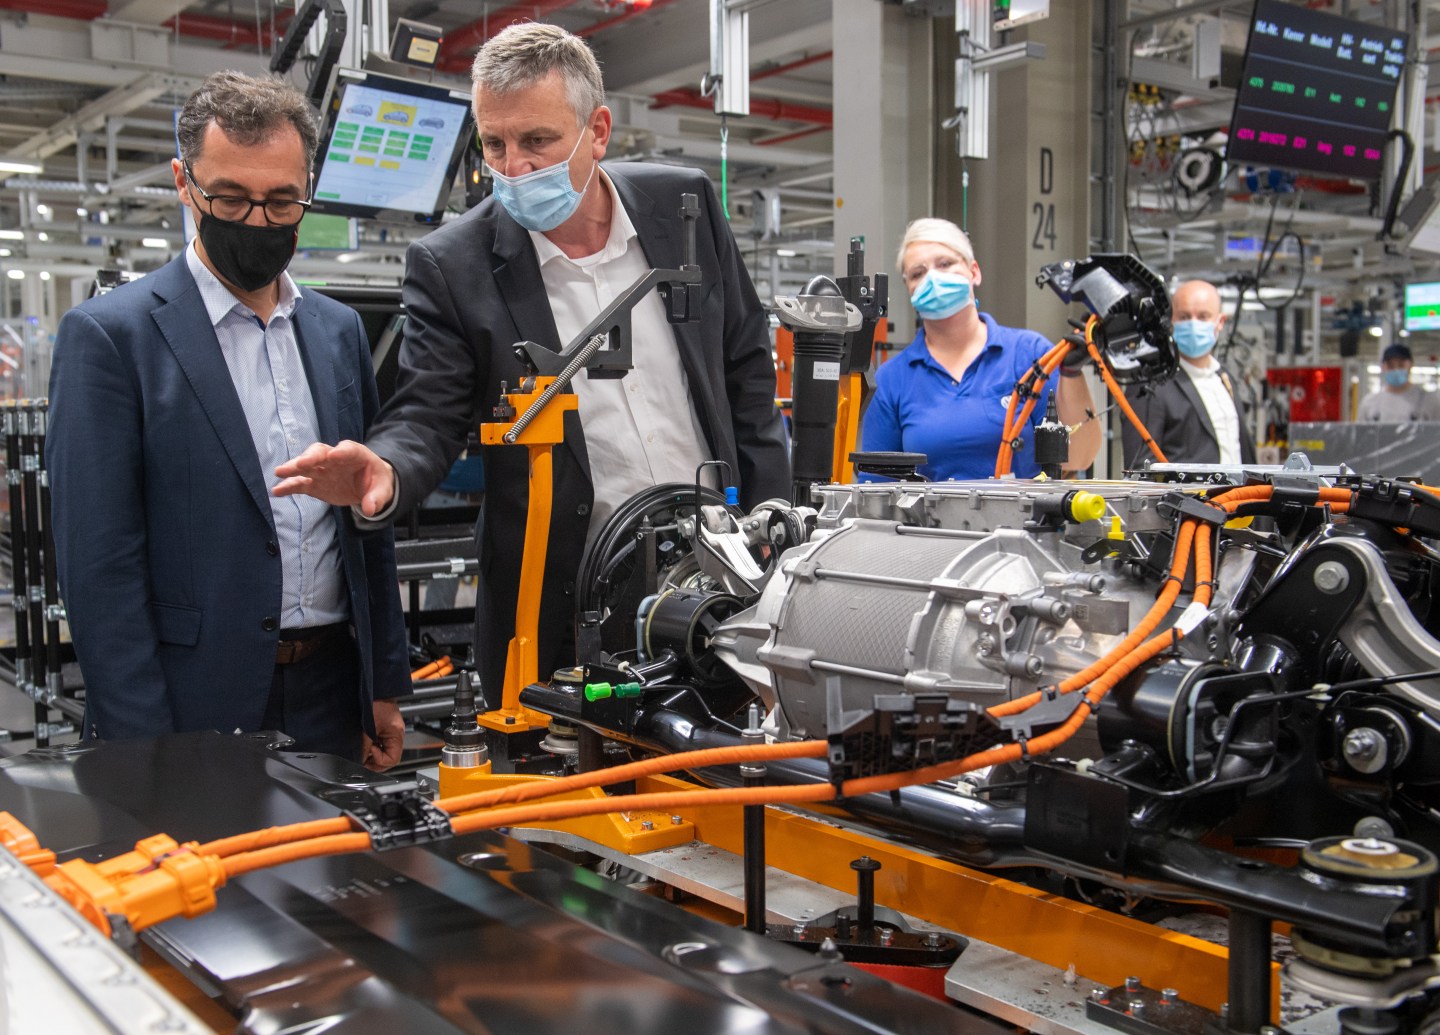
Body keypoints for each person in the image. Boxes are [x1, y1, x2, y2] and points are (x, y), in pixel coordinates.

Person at [273, 24, 788, 704]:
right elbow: (426, 413)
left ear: (597, 131)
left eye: (538, 142)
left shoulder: (682, 207)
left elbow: (746, 367)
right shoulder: (454, 263)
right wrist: (388, 469)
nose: (513, 167)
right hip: (563, 604)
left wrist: (774, 522)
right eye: (494, 144)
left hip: (720, 578)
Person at [47, 71, 410, 768]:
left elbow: (367, 529)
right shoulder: (112, 337)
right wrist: (142, 746)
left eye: (281, 201)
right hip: (189, 702)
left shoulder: (336, 331)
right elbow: (100, 571)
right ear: (186, 183)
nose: (257, 223)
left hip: (331, 693)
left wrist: (383, 684)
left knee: (332, 875)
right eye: (232, 198)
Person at [859, 218, 1101, 480]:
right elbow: (876, 488)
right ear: (908, 288)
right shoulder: (892, 378)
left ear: (974, 271)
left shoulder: (1029, 353)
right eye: (918, 273)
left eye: (945, 264)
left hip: (1023, 521)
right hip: (924, 522)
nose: (933, 278)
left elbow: (1079, 457)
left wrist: (1071, 373)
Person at [1120, 279, 1255, 468]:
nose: (1193, 324)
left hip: (1235, 497)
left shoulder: (1225, 378)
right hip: (1186, 497)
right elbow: (1140, 468)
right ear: (1170, 321)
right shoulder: (1150, 384)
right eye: (1184, 317)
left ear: (1220, 322)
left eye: (1203, 316)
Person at [1357, 343, 1440, 422]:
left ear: (1411, 365)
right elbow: (1361, 434)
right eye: (1391, 366)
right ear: (1383, 367)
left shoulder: (1428, 401)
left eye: (1401, 365)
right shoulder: (1370, 403)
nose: (1396, 370)